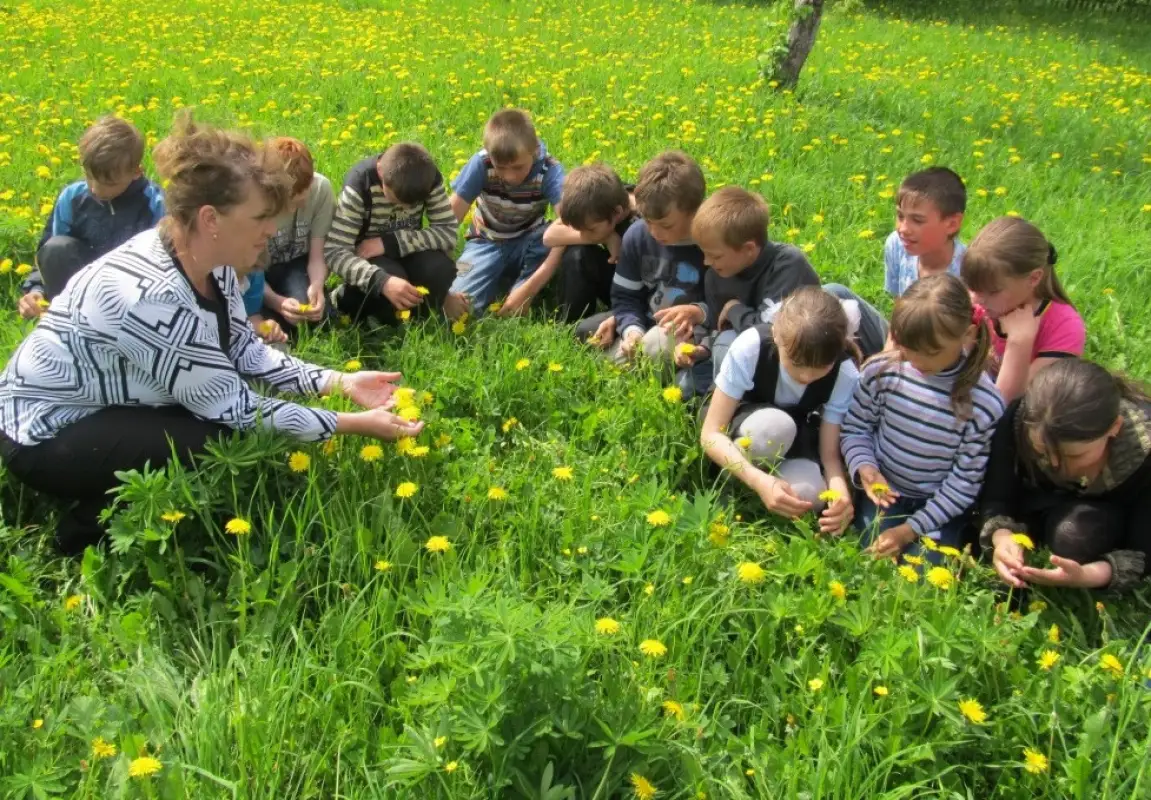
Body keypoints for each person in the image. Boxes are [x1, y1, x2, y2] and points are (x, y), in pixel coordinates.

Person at [0, 117, 422, 555]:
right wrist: (351, 425)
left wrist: (339, 382)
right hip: (42, 431)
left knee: (218, 421)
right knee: (219, 442)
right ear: (211, 218)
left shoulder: (212, 261)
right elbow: (236, 408)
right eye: (260, 218)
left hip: (108, 405)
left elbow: (245, 350)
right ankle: (84, 536)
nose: (271, 231)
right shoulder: (152, 297)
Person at [841, 274, 1004, 561]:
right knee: (868, 549)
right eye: (907, 348)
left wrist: (909, 531)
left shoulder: (983, 403)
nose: (916, 361)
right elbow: (856, 427)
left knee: (924, 571)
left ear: (967, 335)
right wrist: (864, 466)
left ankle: (952, 537)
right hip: (886, 491)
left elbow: (965, 482)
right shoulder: (883, 373)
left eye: (930, 352)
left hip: (941, 505)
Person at [982, 359, 1150, 593]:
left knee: (1074, 536)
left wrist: (1087, 575)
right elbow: (996, 497)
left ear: (1115, 427)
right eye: (1041, 451)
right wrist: (1002, 537)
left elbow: (1145, 549)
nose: (1055, 464)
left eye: (1075, 455)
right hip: (1038, 506)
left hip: (1116, 518)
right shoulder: (1018, 420)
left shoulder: (1144, 452)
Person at [700, 287, 859, 534]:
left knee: (808, 496)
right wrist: (758, 480)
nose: (807, 376)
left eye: (823, 367)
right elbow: (710, 434)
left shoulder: (846, 373)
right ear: (775, 333)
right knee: (774, 428)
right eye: (796, 364)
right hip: (744, 422)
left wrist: (839, 489)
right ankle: (741, 479)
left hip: (799, 434)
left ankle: (768, 486)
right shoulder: (752, 346)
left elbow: (829, 454)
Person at [673, 186, 820, 395]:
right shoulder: (715, 276)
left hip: (793, 363)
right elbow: (717, 326)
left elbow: (772, 334)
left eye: (715, 256)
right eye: (704, 254)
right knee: (683, 387)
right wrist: (701, 347)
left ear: (749, 249)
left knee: (730, 343)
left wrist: (735, 309)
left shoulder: (787, 265)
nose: (707, 262)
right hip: (737, 359)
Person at [18, 116, 165, 319]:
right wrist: (36, 291)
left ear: (135, 173)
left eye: (109, 183)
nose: (95, 189)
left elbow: (166, 265)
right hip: (79, 286)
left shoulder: (154, 203)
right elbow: (46, 256)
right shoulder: (72, 197)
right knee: (57, 247)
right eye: (89, 177)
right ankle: (66, 321)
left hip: (132, 290)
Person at [577, 150, 707, 364]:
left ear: (694, 212)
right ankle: (633, 355)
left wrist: (698, 312)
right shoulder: (637, 235)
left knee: (656, 346)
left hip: (693, 330)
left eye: (666, 225)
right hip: (648, 317)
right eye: (648, 221)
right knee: (585, 331)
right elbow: (626, 296)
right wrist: (630, 329)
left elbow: (728, 299)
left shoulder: (712, 241)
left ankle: (631, 362)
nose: (655, 233)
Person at [446, 109, 566, 319]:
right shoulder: (481, 164)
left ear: (535, 151)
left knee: (551, 241)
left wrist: (528, 291)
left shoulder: (550, 170)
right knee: (461, 307)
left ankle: (519, 293)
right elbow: (449, 217)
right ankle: (498, 280)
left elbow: (568, 224)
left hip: (530, 239)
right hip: (484, 241)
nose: (510, 177)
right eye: (501, 168)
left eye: (518, 167)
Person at [326, 141, 457, 325]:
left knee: (440, 268)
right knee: (393, 279)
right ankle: (345, 300)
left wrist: (390, 243)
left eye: (411, 205)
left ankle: (419, 318)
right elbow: (335, 252)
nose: (403, 208)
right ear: (380, 172)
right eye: (396, 199)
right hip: (368, 260)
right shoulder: (360, 185)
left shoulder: (427, 178)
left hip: (407, 249)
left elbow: (448, 232)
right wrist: (382, 282)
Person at [962, 216, 1085, 403]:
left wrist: (1019, 342)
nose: (976, 300)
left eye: (993, 292)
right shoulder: (978, 304)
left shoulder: (1063, 326)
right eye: (972, 288)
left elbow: (1004, 404)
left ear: (1034, 278)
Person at [539, 163, 637, 323]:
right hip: (619, 278)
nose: (584, 234)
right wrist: (607, 237)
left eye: (590, 229)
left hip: (644, 291)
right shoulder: (599, 199)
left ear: (618, 212)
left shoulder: (642, 223)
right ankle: (571, 324)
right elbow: (549, 236)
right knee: (577, 253)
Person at [258, 137, 333, 331]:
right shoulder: (253, 201)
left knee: (317, 318)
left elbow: (317, 254)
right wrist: (276, 302)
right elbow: (245, 272)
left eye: (299, 201)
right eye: (286, 203)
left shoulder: (320, 190)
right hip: (257, 273)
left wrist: (317, 286)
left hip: (295, 265)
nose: (292, 209)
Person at [884, 167, 967, 297]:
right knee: (840, 292)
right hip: (905, 317)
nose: (903, 229)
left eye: (917, 220)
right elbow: (898, 303)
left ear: (952, 224)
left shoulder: (968, 269)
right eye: (900, 216)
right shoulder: (896, 244)